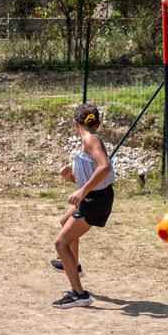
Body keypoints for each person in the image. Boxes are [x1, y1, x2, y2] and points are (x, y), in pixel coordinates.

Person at [51, 103, 115, 309]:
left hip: (96, 201)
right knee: (64, 222)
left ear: (74, 123)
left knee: (61, 243)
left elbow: (104, 167)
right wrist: (72, 178)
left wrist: (82, 191)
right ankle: (74, 266)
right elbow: (92, 175)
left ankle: (80, 295)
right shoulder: (89, 139)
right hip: (94, 196)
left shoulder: (89, 140)